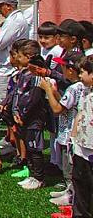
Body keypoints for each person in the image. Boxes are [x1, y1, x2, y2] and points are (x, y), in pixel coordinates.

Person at [39, 52, 86, 208]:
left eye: (63, 67)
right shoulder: (81, 86)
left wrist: (47, 90)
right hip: (74, 134)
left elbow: (57, 109)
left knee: (69, 168)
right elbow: (66, 105)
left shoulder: (73, 88)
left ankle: (71, 195)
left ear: (71, 70)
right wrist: (55, 92)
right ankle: (69, 191)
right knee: (71, 167)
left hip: (69, 135)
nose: (61, 70)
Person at [12, 41, 50, 190]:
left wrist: (24, 115)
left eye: (20, 56)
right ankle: (32, 174)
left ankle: (39, 178)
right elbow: (17, 94)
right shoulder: (23, 74)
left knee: (35, 149)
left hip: (33, 120)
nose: (17, 58)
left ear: (28, 57)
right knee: (28, 147)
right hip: (22, 118)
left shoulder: (36, 77)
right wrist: (16, 112)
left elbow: (34, 100)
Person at [0, 0, 30, 103]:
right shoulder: (12, 20)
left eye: (0, 6)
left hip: (8, 69)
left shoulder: (15, 21)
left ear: (8, 6)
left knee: (3, 102)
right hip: (5, 68)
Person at [69, 57, 93, 218]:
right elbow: (80, 113)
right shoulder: (85, 91)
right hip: (81, 146)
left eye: (83, 72)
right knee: (80, 181)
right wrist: (73, 137)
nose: (79, 76)